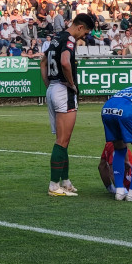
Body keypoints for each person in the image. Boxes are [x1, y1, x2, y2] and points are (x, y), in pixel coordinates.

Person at [40, 13, 96, 197]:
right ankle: (54, 186)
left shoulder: (56, 38)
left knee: (63, 141)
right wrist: (71, 84)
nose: (85, 37)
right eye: (86, 32)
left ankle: (65, 181)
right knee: (62, 142)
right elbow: (65, 62)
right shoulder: (70, 39)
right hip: (64, 91)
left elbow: (42, 63)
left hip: (53, 89)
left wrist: (50, 85)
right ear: (80, 27)